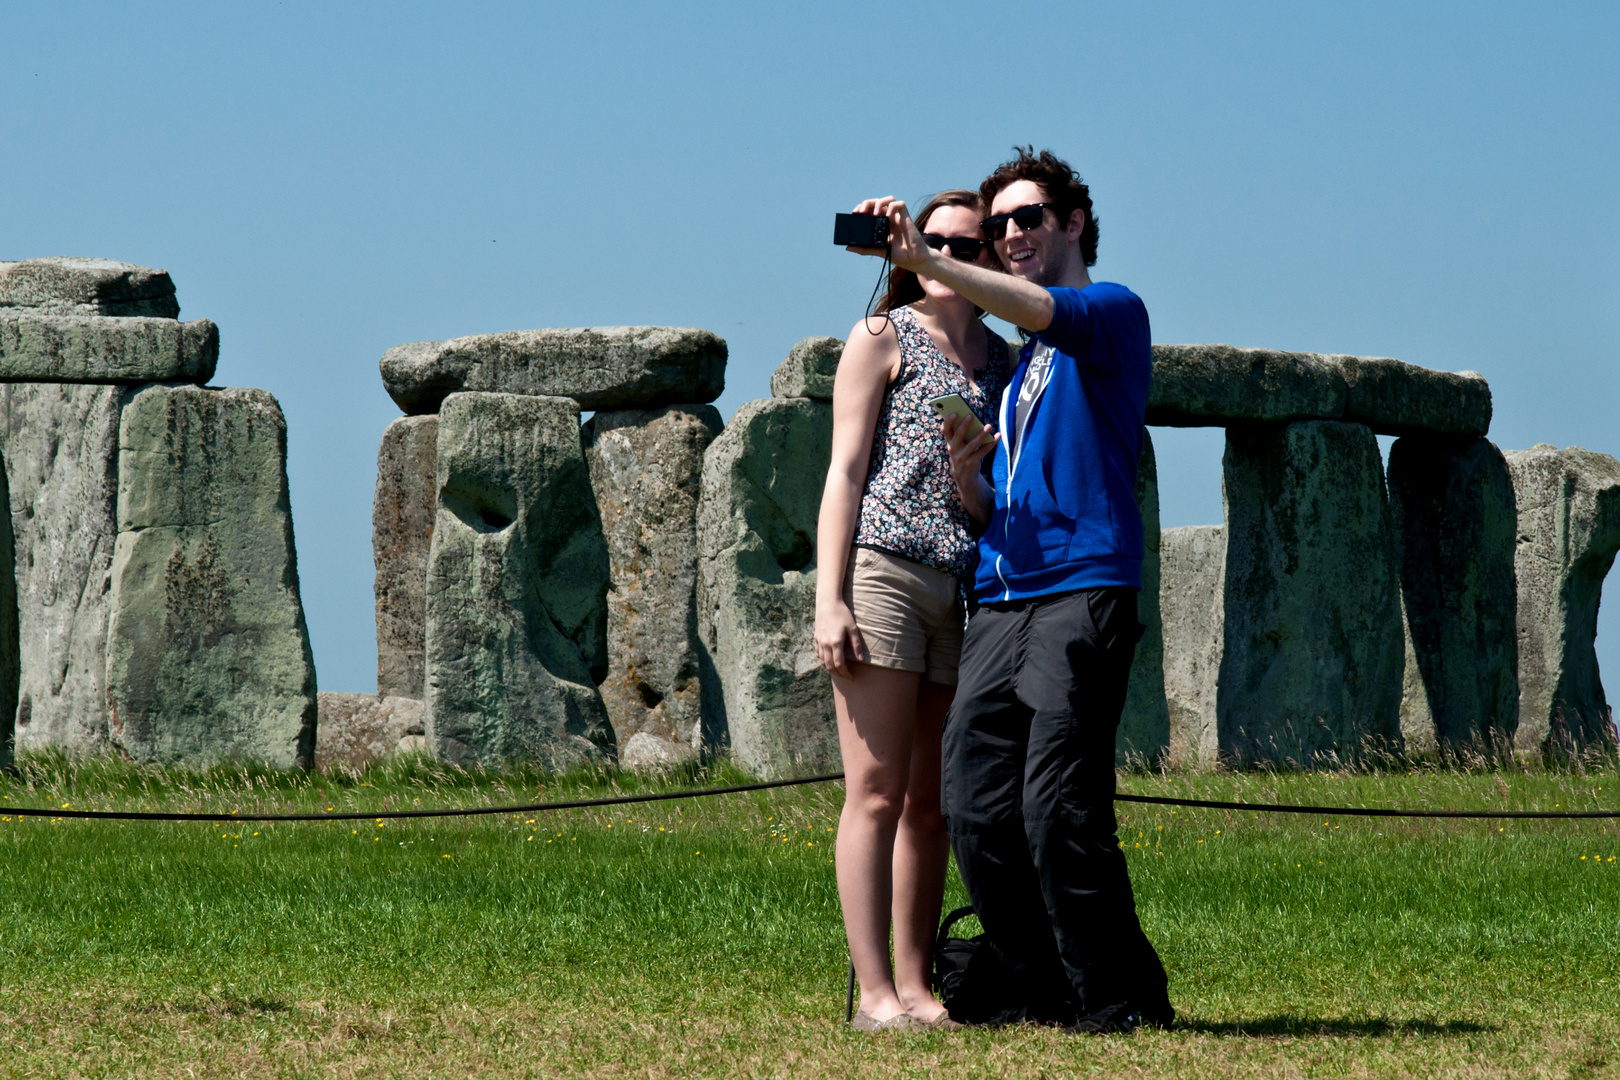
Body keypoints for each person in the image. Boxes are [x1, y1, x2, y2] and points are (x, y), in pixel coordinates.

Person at [848, 148, 1173, 1032]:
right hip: (1000, 591)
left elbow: (1041, 308)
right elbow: (998, 502)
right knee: (976, 804)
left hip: (1083, 585)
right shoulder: (1021, 365)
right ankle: (1038, 986)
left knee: (1057, 802)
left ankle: (1119, 995)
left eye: (1028, 218)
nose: (1011, 235)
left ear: (1073, 223)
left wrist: (925, 260)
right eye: (998, 227)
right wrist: (968, 479)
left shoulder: (1109, 314)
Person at [815, 189, 1011, 1032]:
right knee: (875, 794)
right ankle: (873, 995)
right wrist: (829, 600)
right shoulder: (880, 337)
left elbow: (983, 506)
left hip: (962, 585)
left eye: (965, 242)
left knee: (931, 804)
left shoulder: (1005, 361)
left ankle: (918, 985)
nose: (946, 252)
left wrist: (971, 476)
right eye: (929, 238)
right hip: (886, 573)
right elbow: (844, 475)